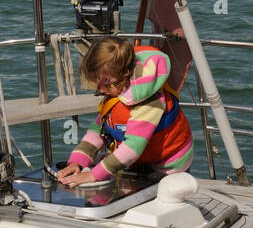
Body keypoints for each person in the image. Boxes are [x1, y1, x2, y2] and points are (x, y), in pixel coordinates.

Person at [57, 37, 193, 186]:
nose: (100, 89)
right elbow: (100, 129)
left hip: (168, 167)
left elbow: (133, 147)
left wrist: (94, 175)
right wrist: (77, 161)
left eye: (106, 83)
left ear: (125, 73)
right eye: (96, 82)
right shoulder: (116, 91)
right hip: (141, 162)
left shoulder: (149, 103)